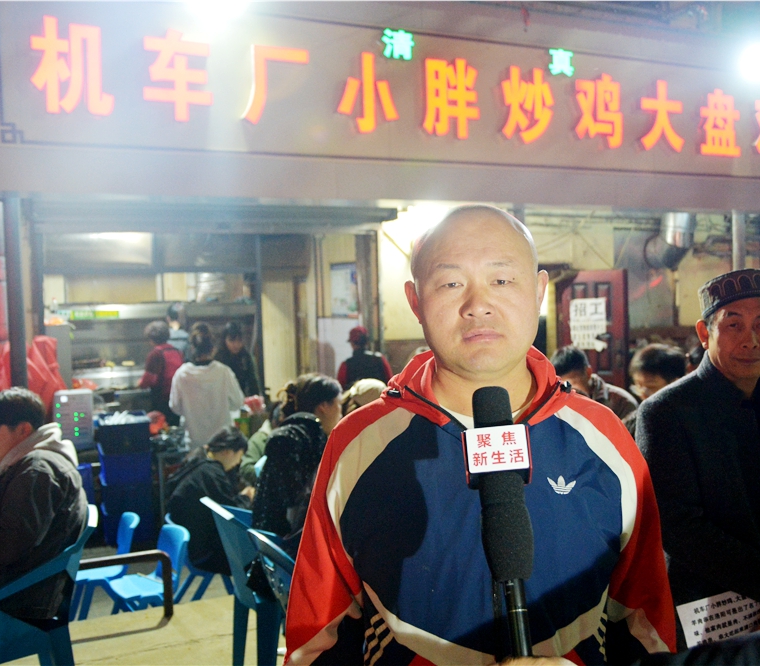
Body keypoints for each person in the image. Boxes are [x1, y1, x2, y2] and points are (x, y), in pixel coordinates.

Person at [285, 205, 674, 665]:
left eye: (502, 280)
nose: (477, 304)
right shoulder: (357, 446)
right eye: (450, 283)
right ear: (415, 301)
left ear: (539, 290)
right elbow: (318, 641)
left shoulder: (605, 442)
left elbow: (647, 627)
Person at [636, 269, 760, 645]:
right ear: (704, 332)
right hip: (707, 610)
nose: (751, 340)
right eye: (734, 325)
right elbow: (679, 528)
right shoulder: (667, 412)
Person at [0, 388, 88, 648]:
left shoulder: (37, 471)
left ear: (23, 430)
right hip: (18, 586)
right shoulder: (36, 463)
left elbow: (8, 545)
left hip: (13, 599)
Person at [252, 374, 341, 556]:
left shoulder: (298, 432)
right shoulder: (308, 438)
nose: (341, 413)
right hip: (287, 547)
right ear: (324, 406)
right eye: (339, 405)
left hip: (271, 539)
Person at [166, 426, 252, 575]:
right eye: (240, 455)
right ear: (227, 451)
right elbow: (231, 513)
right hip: (203, 553)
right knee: (256, 559)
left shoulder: (197, 460)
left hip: (189, 547)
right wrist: (247, 497)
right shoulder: (211, 474)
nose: (238, 462)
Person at [169, 323, 244, 448]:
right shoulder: (223, 372)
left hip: (195, 444)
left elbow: (175, 407)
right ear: (212, 348)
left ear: (192, 347)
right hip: (222, 444)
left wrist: (191, 411)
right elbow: (237, 402)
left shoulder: (182, 374)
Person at [550, 344, 639, 426]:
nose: (569, 390)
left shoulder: (622, 402)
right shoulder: (561, 399)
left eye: (571, 384)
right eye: (563, 385)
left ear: (588, 373)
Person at [624, 344, 687, 436]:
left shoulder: (689, 421)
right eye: (638, 385)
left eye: (651, 387)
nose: (643, 393)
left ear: (675, 384)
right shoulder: (634, 421)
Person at [138, 320, 185, 426]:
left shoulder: (155, 354)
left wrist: (139, 383)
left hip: (162, 402)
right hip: (177, 400)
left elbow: (147, 381)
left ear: (151, 338)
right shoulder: (177, 351)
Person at [336, 325, 392, 390]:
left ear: (352, 344)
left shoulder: (346, 365)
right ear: (367, 342)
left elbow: (340, 388)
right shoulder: (379, 359)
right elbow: (390, 382)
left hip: (355, 400)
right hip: (379, 398)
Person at [214, 321, 261, 397]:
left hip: (241, 398)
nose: (236, 344)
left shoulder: (245, 357)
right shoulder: (218, 358)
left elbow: (252, 382)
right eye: (231, 340)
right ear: (224, 340)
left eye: (239, 340)